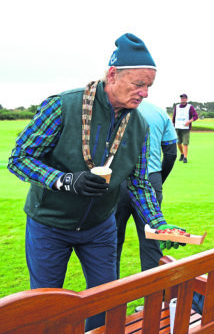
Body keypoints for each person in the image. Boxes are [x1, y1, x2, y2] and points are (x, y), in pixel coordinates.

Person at [7, 33, 184, 331]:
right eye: (138, 84)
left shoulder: (139, 124)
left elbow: (140, 183)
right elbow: (19, 158)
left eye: (149, 86)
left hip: (100, 226)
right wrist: (65, 181)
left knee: (107, 301)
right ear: (113, 74)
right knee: (47, 305)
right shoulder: (63, 106)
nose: (145, 94)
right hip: (50, 224)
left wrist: (158, 222)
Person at [116, 99, 177, 278]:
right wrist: (157, 180)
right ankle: (155, 303)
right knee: (152, 241)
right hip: (151, 178)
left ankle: (111, 302)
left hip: (115, 180)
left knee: (111, 242)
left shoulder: (115, 109)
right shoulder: (159, 112)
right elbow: (171, 153)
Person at [172, 93, 199, 163]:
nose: (182, 99)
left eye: (184, 98)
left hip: (186, 128)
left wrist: (189, 121)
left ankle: (185, 157)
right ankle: (182, 153)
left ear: (186, 99)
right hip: (177, 127)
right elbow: (174, 117)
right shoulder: (177, 107)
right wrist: (172, 125)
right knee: (178, 142)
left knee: (185, 143)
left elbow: (195, 116)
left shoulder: (190, 107)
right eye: (181, 98)